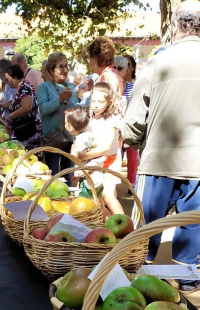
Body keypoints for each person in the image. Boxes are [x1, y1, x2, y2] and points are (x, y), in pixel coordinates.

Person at [121, 0, 200, 294]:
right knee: (192, 221)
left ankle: (137, 273)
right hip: (199, 161)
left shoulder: (158, 63)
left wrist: (137, 139)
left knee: (147, 224)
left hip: (158, 160)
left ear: (174, 25)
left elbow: (134, 119)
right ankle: (187, 275)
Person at [77, 82, 124, 216]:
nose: (96, 105)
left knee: (108, 195)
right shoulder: (89, 118)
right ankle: (110, 224)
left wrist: (82, 156)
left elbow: (106, 147)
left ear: (108, 102)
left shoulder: (112, 120)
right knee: (97, 199)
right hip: (94, 161)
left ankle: (128, 229)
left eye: (100, 101)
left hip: (110, 161)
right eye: (93, 101)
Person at [37, 52, 83, 173]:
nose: (64, 70)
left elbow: (79, 111)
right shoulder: (44, 87)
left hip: (70, 138)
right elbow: (44, 109)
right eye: (60, 67)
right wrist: (59, 99)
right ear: (51, 70)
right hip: (53, 138)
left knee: (67, 173)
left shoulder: (73, 87)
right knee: (52, 174)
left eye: (66, 66)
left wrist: (83, 98)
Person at [3, 63, 41, 150]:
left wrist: (11, 116)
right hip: (24, 131)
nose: (7, 83)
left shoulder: (25, 87)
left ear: (15, 77)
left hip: (28, 132)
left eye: (7, 79)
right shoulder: (22, 87)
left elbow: (27, 107)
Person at [86, 36, 125, 115]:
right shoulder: (108, 73)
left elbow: (112, 102)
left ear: (95, 58)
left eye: (90, 58)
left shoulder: (108, 75)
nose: (89, 63)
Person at [65, 106, 96, 184]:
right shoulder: (87, 134)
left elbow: (77, 157)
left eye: (65, 122)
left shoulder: (81, 140)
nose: (64, 124)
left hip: (88, 174)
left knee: (85, 194)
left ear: (71, 127)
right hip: (90, 172)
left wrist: (73, 149)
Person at [121, 54, 139, 186]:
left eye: (128, 65)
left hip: (131, 125)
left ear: (132, 68)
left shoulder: (137, 85)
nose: (125, 69)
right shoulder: (117, 84)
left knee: (133, 157)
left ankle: (132, 183)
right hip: (118, 125)